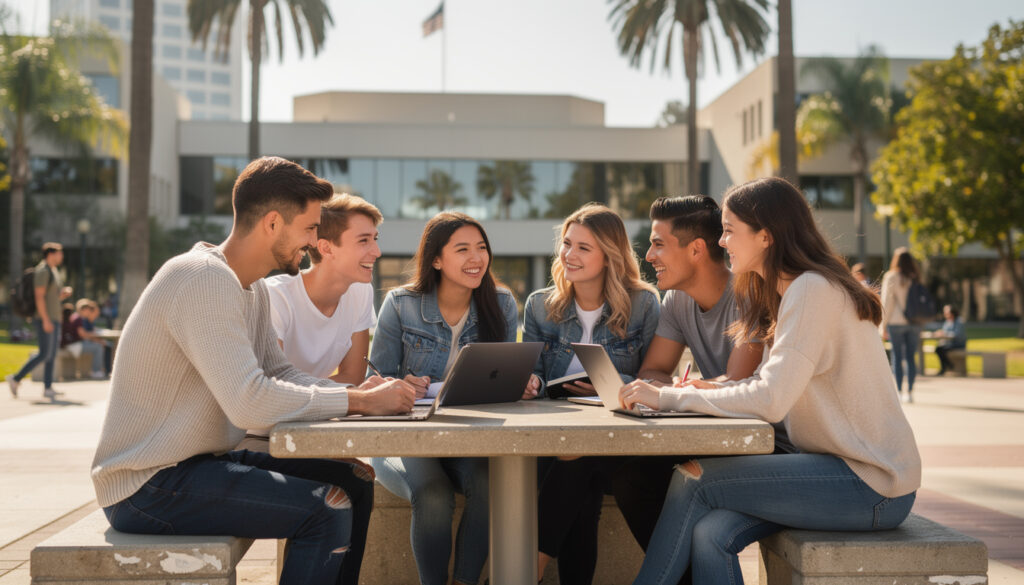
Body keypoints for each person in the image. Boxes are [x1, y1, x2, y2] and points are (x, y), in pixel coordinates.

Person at [90, 156, 417, 585]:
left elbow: (279, 371)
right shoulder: (202, 278)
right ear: (272, 224)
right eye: (310, 229)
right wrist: (357, 400)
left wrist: (365, 399)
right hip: (146, 483)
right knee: (326, 506)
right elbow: (250, 402)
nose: (314, 241)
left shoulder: (252, 288)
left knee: (355, 479)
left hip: (199, 463)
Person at [618, 177, 921, 585]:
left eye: (728, 231)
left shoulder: (812, 289)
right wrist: (701, 390)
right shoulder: (784, 292)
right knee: (710, 535)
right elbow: (766, 383)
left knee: (694, 477)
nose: (721, 243)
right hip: (831, 469)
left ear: (765, 236)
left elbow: (771, 399)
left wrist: (668, 398)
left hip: (871, 482)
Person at [610, 196, 768, 559]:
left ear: (696, 249)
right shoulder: (677, 302)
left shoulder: (750, 296)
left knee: (640, 480)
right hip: (711, 431)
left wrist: (671, 393)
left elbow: (736, 384)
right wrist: (668, 389)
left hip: (756, 441)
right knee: (619, 474)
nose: (648, 256)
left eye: (658, 244)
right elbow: (653, 370)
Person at [368, 211, 519, 585]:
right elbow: (374, 379)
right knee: (433, 495)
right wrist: (401, 384)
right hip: (404, 439)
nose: (476, 258)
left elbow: (503, 382)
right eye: (463, 249)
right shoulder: (401, 304)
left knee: (489, 486)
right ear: (436, 259)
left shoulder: (501, 304)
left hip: (469, 440)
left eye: (481, 248)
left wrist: (523, 382)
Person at [522, 204, 659, 584]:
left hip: (617, 434)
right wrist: (530, 382)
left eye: (584, 247)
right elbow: (530, 369)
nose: (569, 254)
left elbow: (654, 377)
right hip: (555, 431)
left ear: (609, 255)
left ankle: (529, 569)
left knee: (577, 460)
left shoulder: (643, 304)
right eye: (567, 244)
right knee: (578, 476)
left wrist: (609, 385)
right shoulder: (540, 305)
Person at [237, 193, 386, 453]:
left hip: (316, 427)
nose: (377, 252)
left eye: (375, 239)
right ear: (326, 248)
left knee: (358, 477)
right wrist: (358, 397)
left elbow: (353, 376)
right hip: (262, 438)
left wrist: (364, 393)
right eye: (364, 241)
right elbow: (275, 389)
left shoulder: (360, 291)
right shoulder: (277, 298)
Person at [7, 242, 73, 400]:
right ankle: (16, 378)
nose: (61, 256)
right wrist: (45, 320)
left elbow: (50, 297)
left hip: (54, 318)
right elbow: (39, 297)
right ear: (51, 254)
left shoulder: (53, 271)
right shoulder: (43, 271)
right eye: (59, 253)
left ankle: (48, 387)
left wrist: (61, 296)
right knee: (44, 353)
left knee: (51, 354)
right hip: (45, 318)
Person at [880, 247, 923, 402]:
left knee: (897, 357)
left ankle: (899, 391)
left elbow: (886, 302)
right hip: (914, 322)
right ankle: (910, 392)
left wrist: (882, 325)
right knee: (911, 357)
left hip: (896, 322)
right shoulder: (916, 277)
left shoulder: (891, 276)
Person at [61, 298, 111, 379]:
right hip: (74, 346)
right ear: (83, 310)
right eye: (88, 310)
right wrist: (94, 335)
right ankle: (96, 371)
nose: (89, 312)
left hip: (74, 344)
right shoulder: (78, 318)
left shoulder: (77, 317)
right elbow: (83, 335)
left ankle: (101, 370)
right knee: (98, 347)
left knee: (99, 345)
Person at [934, 304, 967, 375]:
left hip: (958, 344)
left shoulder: (959, 321)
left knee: (940, 349)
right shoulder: (948, 321)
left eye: (947, 312)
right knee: (938, 349)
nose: (945, 314)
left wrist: (944, 334)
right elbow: (944, 331)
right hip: (950, 343)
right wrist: (940, 333)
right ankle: (947, 366)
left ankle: (946, 367)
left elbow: (957, 334)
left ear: (952, 312)